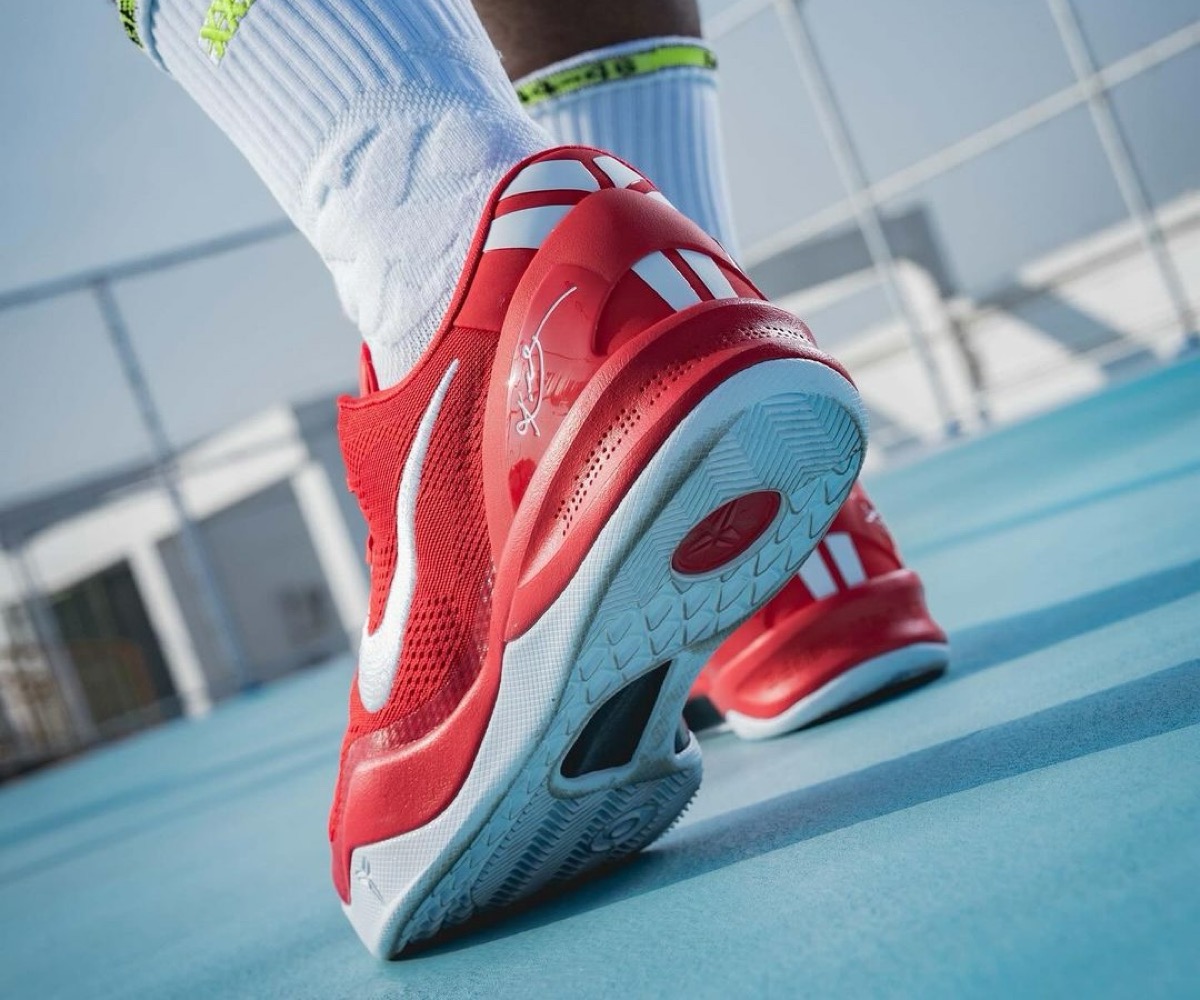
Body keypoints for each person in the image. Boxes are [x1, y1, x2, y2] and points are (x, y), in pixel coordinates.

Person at [111, 0, 944, 958]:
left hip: (504, 359)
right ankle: (668, 368)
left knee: (439, 216)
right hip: (672, 333)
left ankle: (462, 272)